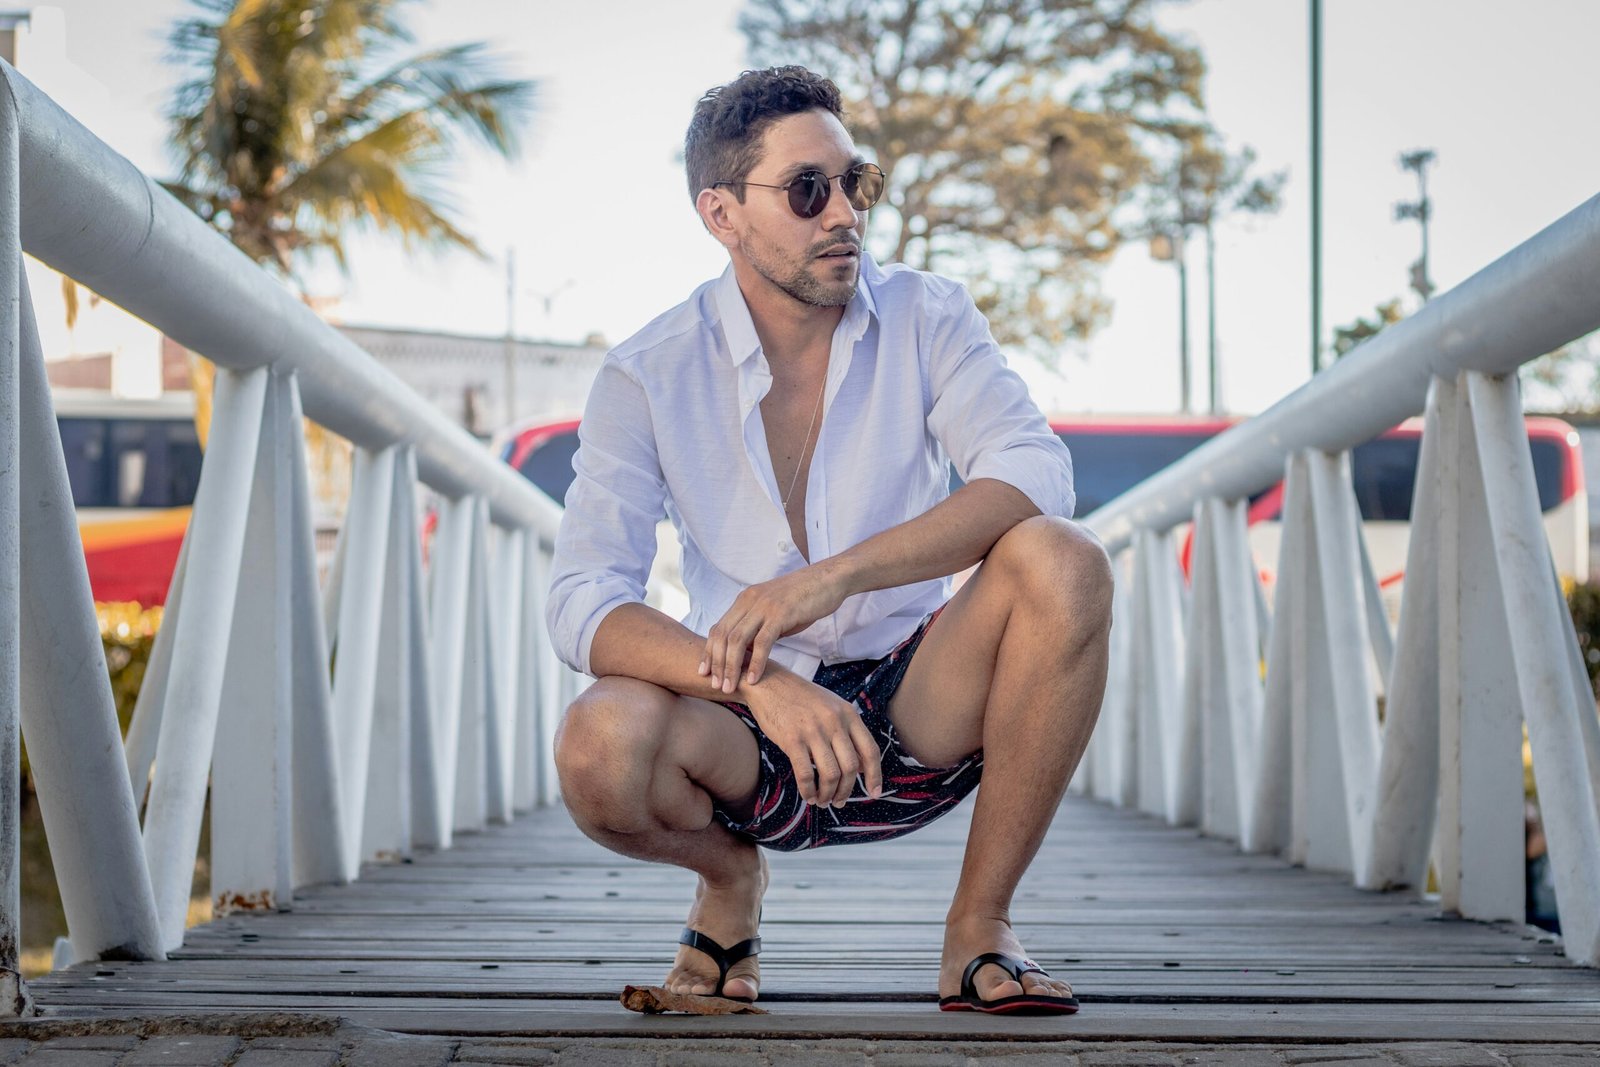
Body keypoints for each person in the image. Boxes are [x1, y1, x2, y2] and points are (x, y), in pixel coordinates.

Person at [545, 65, 1112, 1015]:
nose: (842, 211)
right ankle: (730, 881)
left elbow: (1034, 473)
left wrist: (825, 582)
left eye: (858, 183)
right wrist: (758, 680)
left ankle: (981, 927)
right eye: (808, 190)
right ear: (721, 214)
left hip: (921, 704)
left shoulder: (932, 314)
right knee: (597, 743)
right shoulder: (646, 373)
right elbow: (582, 597)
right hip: (741, 733)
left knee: (1064, 558)